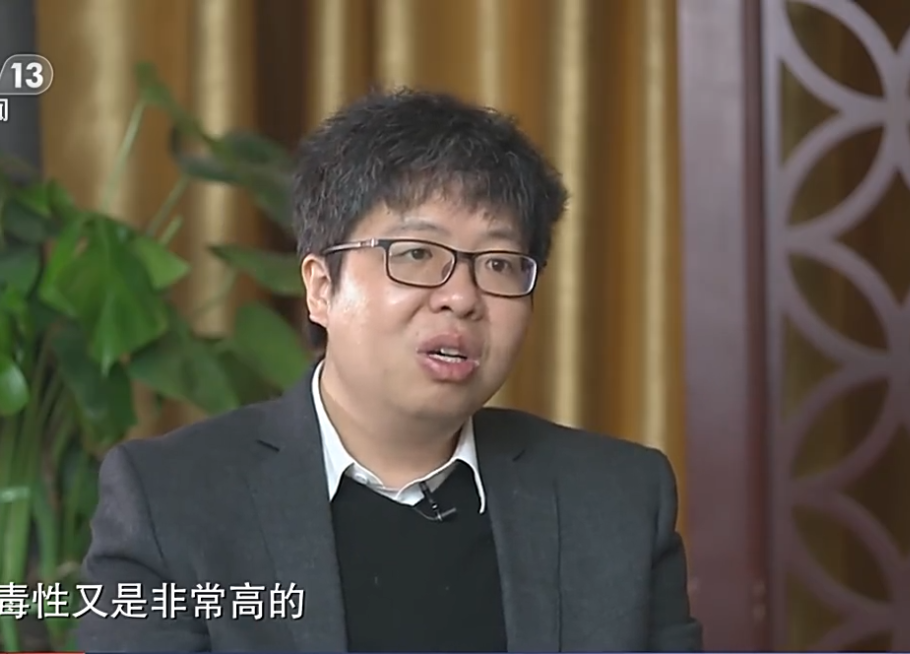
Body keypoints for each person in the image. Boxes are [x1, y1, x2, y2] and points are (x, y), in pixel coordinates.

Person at [76, 89, 703, 653]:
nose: (462, 297)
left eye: (499, 263)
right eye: (417, 253)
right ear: (321, 288)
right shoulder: (171, 501)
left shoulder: (618, 500)